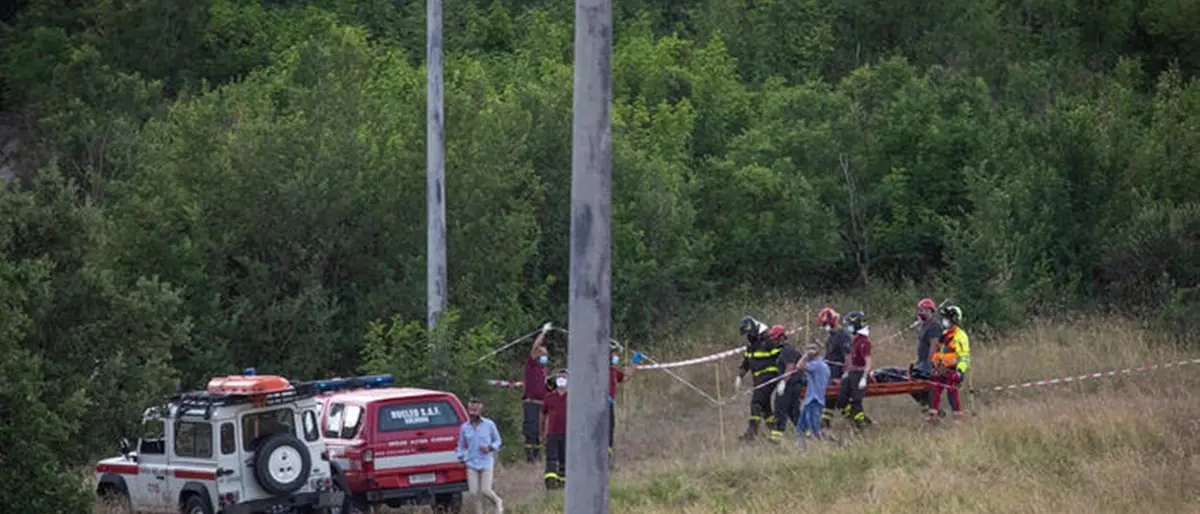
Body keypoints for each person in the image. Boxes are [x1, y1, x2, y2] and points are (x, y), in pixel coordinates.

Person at [734, 316, 781, 441]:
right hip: (758, 379)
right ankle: (774, 429)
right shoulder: (751, 345)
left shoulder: (769, 341)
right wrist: (739, 377)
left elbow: (781, 358)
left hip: (769, 377)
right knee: (765, 407)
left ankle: (752, 432)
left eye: (749, 333)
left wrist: (783, 378)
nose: (748, 336)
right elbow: (746, 363)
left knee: (756, 402)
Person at [456, 398, 504, 514]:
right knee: (473, 492)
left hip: (486, 462)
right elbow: (461, 445)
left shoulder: (489, 424)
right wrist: (460, 456)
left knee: (485, 490)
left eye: (475, 410)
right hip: (471, 463)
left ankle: (497, 501)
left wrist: (490, 448)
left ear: (480, 410)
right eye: (471, 410)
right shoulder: (464, 427)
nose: (473, 413)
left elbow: (498, 441)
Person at [928, 305, 971, 424]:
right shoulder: (945, 334)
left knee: (952, 393)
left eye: (947, 318)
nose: (944, 321)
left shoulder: (960, 336)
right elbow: (939, 351)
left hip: (952, 370)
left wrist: (960, 371)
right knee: (934, 390)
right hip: (940, 369)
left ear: (954, 320)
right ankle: (933, 418)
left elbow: (964, 357)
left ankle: (958, 420)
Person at [832, 311, 872, 429]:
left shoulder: (864, 342)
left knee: (856, 402)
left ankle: (861, 426)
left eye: (850, 324)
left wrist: (864, 377)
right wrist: (846, 372)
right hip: (851, 373)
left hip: (859, 374)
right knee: (841, 401)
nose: (848, 327)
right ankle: (860, 420)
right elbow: (850, 358)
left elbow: (868, 362)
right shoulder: (854, 340)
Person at [521, 322, 552, 462]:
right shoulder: (532, 365)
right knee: (531, 431)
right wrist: (543, 333)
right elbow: (534, 348)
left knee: (540, 432)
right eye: (543, 353)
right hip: (531, 403)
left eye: (546, 354)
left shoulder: (544, 370)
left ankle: (538, 456)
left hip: (542, 405)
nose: (545, 356)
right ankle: (530, 457)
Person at [816, 307, 851, 427]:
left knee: (840, 401)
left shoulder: (842, 336)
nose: (825, 327)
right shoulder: (832, 337)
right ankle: (825, 422)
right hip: (830, 373)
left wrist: (845, 377)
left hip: (839, 374)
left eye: (826, 324)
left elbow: (848, 357)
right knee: (829, 399)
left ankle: (858, 421)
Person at [769, 325, 804, 443]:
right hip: (793, 385)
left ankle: (776, 439)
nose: (773, 341)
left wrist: (783, 382)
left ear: (781, 338)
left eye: (775, 339)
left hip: (789, 386)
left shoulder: (788, 350)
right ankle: (806, 433)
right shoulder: (785, 350)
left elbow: (790, 367)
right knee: (794, 413)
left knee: (780, 410)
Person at [795, 344, 831, 440]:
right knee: (801, 428)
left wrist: (805, 357)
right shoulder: (823, 364)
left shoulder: (816, 365)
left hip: (814, 400)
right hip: (811, 400)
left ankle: (832, 444)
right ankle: (802, 450)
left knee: (814, 429)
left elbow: (799, 366)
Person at [911, 298, 940, 411]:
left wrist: (930, 363)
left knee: (924, 386)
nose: (920, 312)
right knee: (914, 385)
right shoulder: (924, 325)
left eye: (922, 310)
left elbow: (934, 345)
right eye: (919, 310)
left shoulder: (934, 326)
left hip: (928, 363)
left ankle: (933, 409)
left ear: (929, 311)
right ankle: (926, 406)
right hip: (921, 361)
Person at [540, 371, 569, 489]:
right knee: (551, 459)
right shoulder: (549, 397)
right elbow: (542, 415)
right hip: (552, 433)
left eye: (564, 377)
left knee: (564, 459)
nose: (561, 379)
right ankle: (550, 483)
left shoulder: (573, 397)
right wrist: (542, 432)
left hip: (568, 434)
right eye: (559, 377)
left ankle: (563, 483)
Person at [607, 342, 635, 457]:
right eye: (615, 354)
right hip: (599, 403)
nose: (617, 357)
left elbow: (625, 377)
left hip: (610, 403)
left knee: (610, 426)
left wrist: (634, 363)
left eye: (618, 355)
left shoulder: (614, 370)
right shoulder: (601, 368)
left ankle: (608, 449)